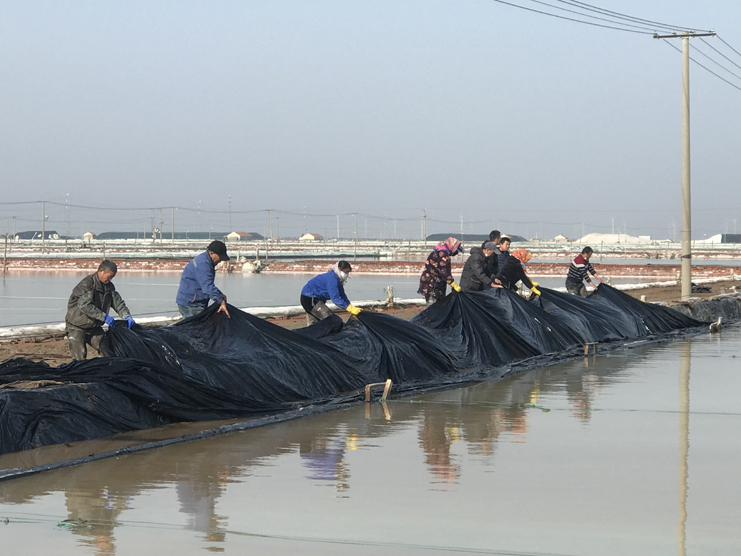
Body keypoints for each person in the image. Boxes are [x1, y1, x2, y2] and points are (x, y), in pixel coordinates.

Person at [65, 260, 135, 360]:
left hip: (94, 327)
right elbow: (84, 305)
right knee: (79, 357)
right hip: (76, 326)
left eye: (112, 277)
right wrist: (104, 317)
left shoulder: (109, 287)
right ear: (101, 271)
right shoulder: (87, 284)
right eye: (109, 276)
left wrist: (127, 316)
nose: (110, 279)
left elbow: (118, 303)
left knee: (107, 350)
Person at [176, 240, 231, 319]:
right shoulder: (202, 264)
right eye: (220, 257)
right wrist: (221, 301)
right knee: (198, 326)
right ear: (212, 253)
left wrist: (219, 294)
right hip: (191, 304)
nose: (220, 260)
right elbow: (207, 286)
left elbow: (208, 284)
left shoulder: (207, 261)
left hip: (194, 302)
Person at [417, 237, 464, 303]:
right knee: (434, 305)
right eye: (456, 250)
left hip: (428, 282)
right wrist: (453, 283)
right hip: (433, 285)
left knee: (432, 304)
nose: (456, 252)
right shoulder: (443, 255)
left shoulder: (437, 252)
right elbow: (444, 272)